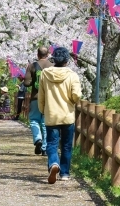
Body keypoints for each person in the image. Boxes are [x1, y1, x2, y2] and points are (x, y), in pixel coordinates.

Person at [38, 46, 81, 184]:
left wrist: (42, 110)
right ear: (67, 61)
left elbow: (41, 95)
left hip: (51, 114)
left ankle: (53, 164)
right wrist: (73, 100)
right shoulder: (72, 75)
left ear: (54, 59)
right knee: (67, 146)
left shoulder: (45, 74)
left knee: (51, 144)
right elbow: (76, 95)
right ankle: (64, 173)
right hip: (67, 115)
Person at [23, 45, 53, 155]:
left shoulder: (32, 66)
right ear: (48, 54)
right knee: (45, 123)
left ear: (38, 55)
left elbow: (26, 83)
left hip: (35, 98)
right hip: (49, 99)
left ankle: (38, 139)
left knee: (34, 120)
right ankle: (45, 147)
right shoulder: (53, 66)